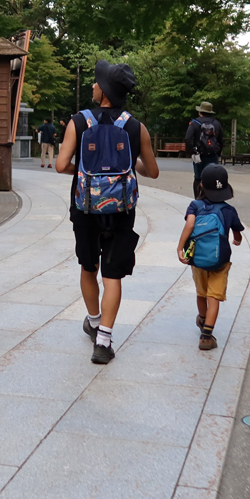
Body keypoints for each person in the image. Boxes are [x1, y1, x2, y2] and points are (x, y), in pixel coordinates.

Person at [56, 60, 159, 364]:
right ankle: (104, 341)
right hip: (121, 210)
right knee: (113, 275)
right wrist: (127, 167)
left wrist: (85, 173)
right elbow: (151, 171)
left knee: (89, 268)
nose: (92, 85)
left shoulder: (79, 121)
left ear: (104, 90)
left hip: (85, 208)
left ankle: (93, 319)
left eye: (95, 81)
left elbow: (61, 165)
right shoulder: (135, 126)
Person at [176, 164, 244, 351]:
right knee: (214, 297)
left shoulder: (195, 205)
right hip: (220, 262)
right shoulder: (229, 210)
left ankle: (202, 318)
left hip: (197, 259)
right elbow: (237, 233)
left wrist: (180, 247)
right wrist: (237, 240)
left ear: (201, 186)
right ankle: (207, 335)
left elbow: (190, 225)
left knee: (201, 293)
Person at [185, 102, 224, 198]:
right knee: (212, 177)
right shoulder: (216, 123)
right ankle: (210, 198)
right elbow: (221, 140)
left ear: (200, 112)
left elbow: (187, 138)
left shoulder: (194, 123)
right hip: (213, 154)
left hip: (199, 154)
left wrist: (191, 151)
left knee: (198, 177)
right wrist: (218, 152)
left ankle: (198, 199)